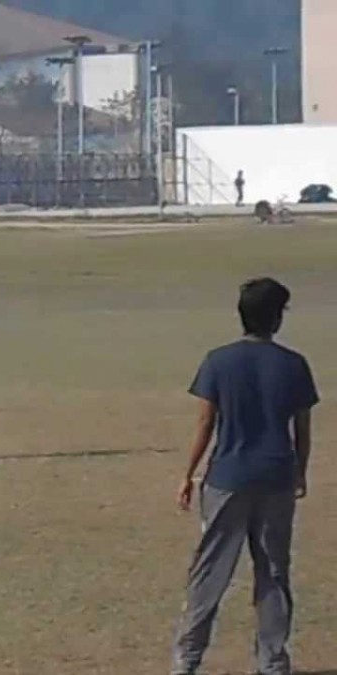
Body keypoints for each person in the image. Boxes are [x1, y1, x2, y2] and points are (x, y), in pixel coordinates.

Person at [169, 278, 319, 675]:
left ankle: (187, 659)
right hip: (276, 477)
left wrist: (188, 473)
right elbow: (302, 429)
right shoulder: (293, 364)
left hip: (227, 477)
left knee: (210, 570)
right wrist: (300, 471)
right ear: (277, 318)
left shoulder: (218, 361)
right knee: (273, 571)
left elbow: (206, 423)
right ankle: (273, 661)